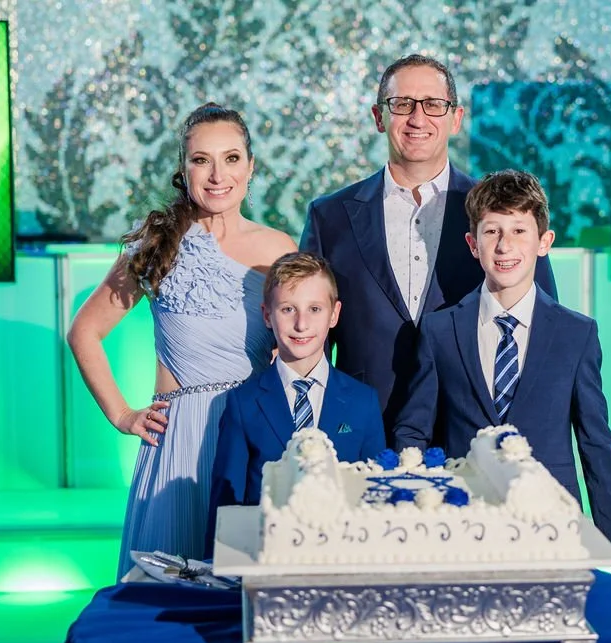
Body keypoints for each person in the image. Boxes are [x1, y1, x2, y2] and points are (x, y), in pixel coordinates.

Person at [67, 103, 297, 579]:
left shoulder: (279, 248)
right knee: (165, 602)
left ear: (251, 167)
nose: (218, 175)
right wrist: (123, 415)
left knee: (242, 597)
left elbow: (294, 352)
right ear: (183, 167)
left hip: (252, 437)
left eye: (231, 158)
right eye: (201, 160)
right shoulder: (158, 244)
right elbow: (84, 331)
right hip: (178, 440)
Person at [392, 170, 611, 579]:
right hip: (459, 529)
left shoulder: (576, 334)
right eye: (492, 231)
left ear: (544, 242)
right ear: (473, 244)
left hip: (554, 528)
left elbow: (596, 443)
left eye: (519, 231)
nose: (505, 245)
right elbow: (412, 432)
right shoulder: (439, 331)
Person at [301, 54, 557, 438]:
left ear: (455, 118)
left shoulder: (501, 214)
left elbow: (542, 325)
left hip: (474, 432)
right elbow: (307, 332)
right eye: (401, 104)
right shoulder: (330, 217)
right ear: (378, 116)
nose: (417, 118)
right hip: (360, 430)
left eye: (433, 105)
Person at [203, 252, 386, 556]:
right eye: (288, 309)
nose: (301, 324)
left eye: (315, 309)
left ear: (334, 314)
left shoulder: (362, 401)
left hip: (345, 559)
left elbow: (375, 496)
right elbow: (226, 507)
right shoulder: (242, 403)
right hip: (264, 559)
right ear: (266, 315)